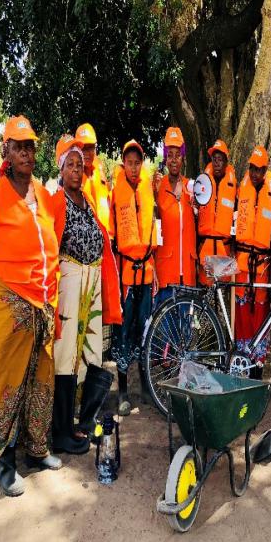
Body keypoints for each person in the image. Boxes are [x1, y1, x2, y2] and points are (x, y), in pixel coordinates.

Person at [0, 116, 61, 496]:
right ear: (6, 150)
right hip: (7, 303)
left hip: (42, 303)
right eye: (18, 146)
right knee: (6, 382)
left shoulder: (42, 193)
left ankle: (36, 451)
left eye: (31, 146)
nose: (26, 152)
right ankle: (5, 460)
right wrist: (5, 278)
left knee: (39, 380)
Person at [51, 135, 121, 453]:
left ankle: (83, 422)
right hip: (68, 285)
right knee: (65, 357)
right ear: (61, 169)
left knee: (91, 354)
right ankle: (62, 431)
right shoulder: (57, 201)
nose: (77, 170)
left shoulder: (87, 203)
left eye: (80, 165)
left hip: (90, 288)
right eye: (71, 165)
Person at [110, 140, 156, 416]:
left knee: (145, 330)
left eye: (138, 162)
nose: (134, 166)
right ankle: (124, 391)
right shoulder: (117, 193)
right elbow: (114, 239)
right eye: (130, 162)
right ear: (123, 164)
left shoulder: (149, 189)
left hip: (147, 272)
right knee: (123, 332)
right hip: (126, 274)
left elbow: (155, 232)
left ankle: (146, 388)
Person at [234, 145, 271, 378]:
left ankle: (257, 370)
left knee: (260, 319)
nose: (255, 174)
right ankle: (242, 364)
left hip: (262, 269)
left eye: (260, 170)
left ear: (266, 170)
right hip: (242, 267)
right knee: (242, 318)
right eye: (252, 168)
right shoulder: (241, 193)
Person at [153, 127, 197, 302]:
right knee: (165, 328)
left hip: (187, 271)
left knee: (185, 328)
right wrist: (155, 197)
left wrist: (197, 208)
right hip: (165, 272)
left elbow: (200, 220)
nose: (173, 160)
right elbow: (152, 227)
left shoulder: (192, 187)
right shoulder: (157, 185)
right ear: (164, 157)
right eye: (169, 154)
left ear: (183, 158)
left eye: (177, 155)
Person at [197, 139, 237, 286]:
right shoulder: (202, 185)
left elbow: (237, 218)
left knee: (222, 292)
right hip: (205, 248)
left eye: (220, 159)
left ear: (226, 162)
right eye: (214, 159)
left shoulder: (233, 188)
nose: (217, 163)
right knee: (205, 295)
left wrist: (233, 248)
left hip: (223, 249)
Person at [74, 123, 112, 234]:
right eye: (83, 148)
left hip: (108, 239)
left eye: (90, 147)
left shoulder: (99, 170)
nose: (87, 153)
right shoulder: (70, 178)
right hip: (87, 241)